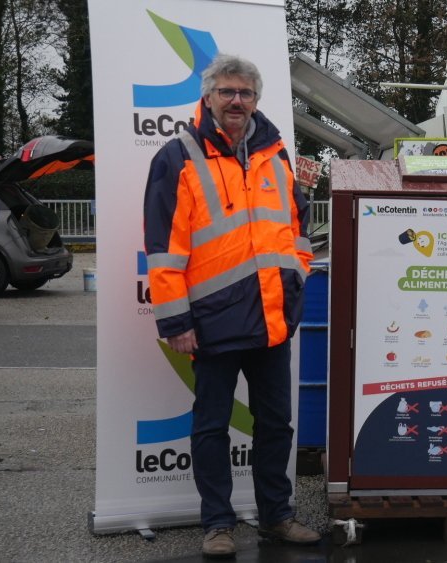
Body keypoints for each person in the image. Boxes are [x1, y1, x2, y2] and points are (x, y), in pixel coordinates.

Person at [143, 54, 319, 558]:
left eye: (245, 93)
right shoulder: (177, 157)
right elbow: (163, 248)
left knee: (276, 425)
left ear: (256, 100)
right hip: (211, 322)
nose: (236, 101)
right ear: (208, 97)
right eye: (227, 92)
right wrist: (175, 319)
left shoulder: (276, 154)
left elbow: (297, 226)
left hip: (271, 319)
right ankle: (217, 524)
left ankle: (277, 517)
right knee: (211, 426)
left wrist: (297, 276)